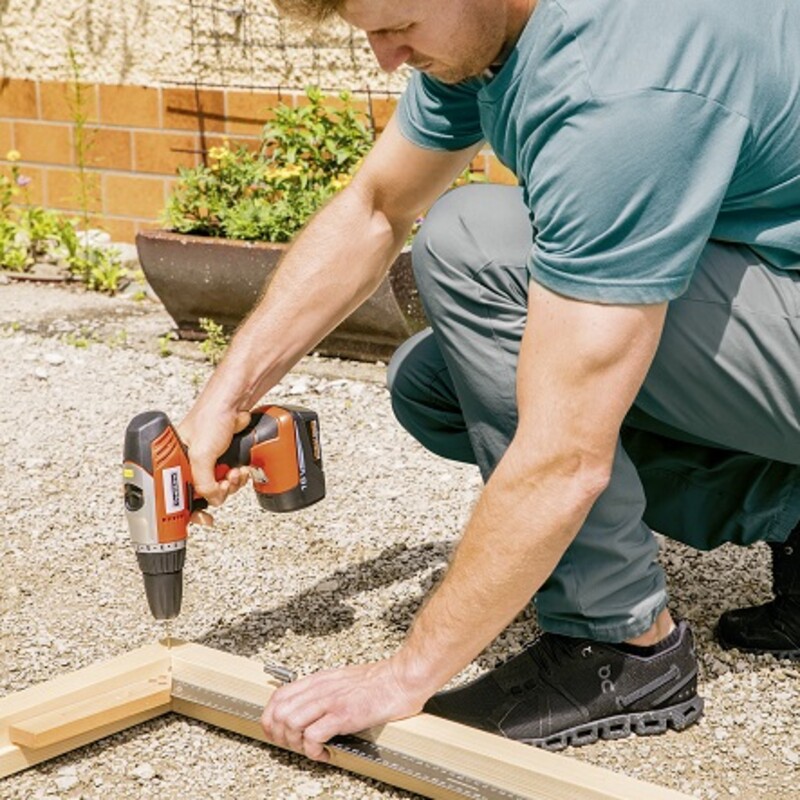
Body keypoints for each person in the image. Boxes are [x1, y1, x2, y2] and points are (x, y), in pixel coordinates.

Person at [177, 0, 800, 761]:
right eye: (369, 32)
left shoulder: (620, 79)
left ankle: (621, 648)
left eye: (397, 25)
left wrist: (404, 675)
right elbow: (378, 207)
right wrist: (226, 397)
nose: (384, 57)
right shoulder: (490, 33)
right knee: (435, 381)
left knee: (476, 248)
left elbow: (564, 458)